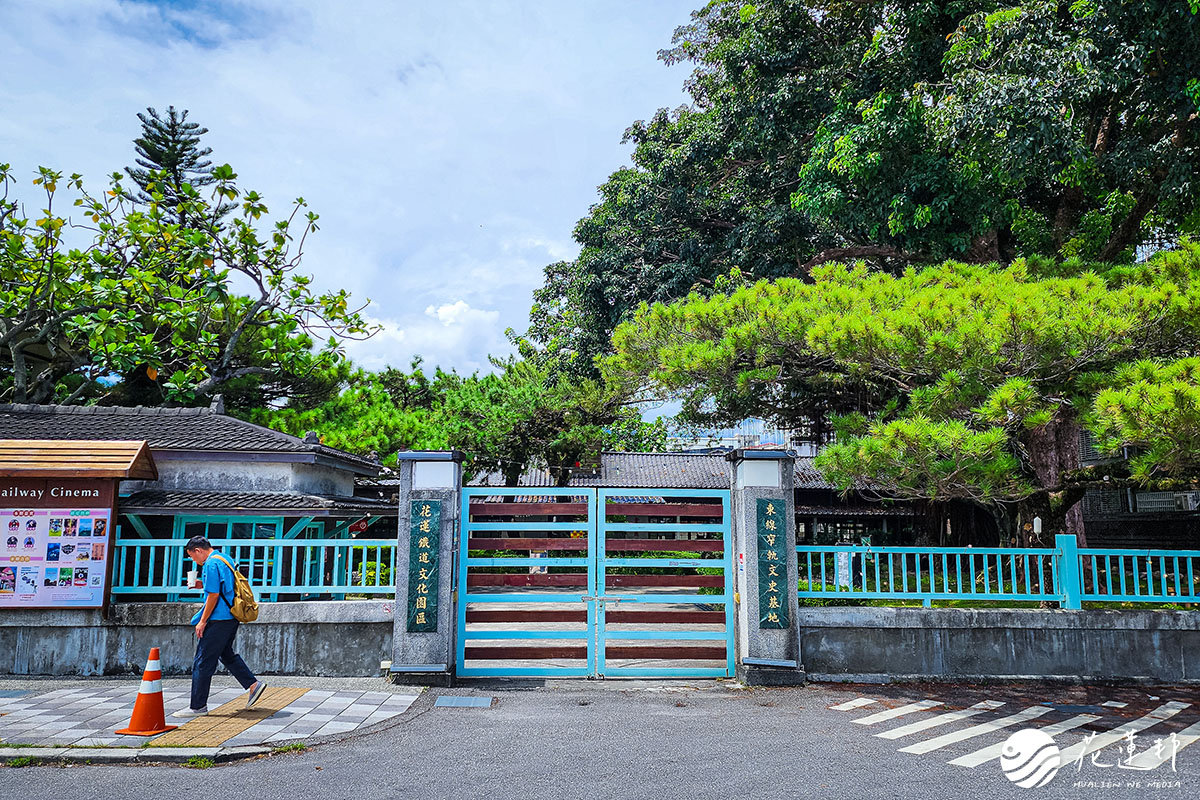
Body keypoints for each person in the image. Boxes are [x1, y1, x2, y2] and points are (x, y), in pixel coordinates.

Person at [173, 536, 267, 717]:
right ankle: (253, 685)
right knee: (226, 654)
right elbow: (223, 588)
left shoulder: (210, 564)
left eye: (192, 556)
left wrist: (202, 621)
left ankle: (197, 706)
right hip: (231, 616)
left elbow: (214, 596)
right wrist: (202, 584)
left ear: (198, 550)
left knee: (202, 661)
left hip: (218, 619)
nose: (194, 560)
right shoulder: (225, 559)